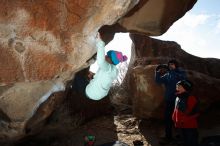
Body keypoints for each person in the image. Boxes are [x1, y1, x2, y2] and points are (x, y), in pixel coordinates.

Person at [85, 33, 127, 100]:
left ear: (111, 60)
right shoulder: (111, 70)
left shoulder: (109, 69)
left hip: (90, 91)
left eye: (107, 56)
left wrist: (100, 43)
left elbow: (101, 61)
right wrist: (93, 76)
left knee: (78, 76)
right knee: (86, 76)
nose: (105, 56)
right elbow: (102, 78)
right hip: (97, 94)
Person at [155, 59, 187, 145]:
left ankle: (181, 137)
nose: (170, 66)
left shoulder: (181, 72)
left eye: (172, 64)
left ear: (176, 65)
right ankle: (168, 137)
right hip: (168, 100)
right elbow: (158, 81)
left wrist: (172, 71)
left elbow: (183, 80)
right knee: (167, 119)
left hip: (179, 100)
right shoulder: (167, 75)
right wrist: (157, 71)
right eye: (169, 65)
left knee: (179, 119)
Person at [172, 80, 199, 146]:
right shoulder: (178, 97)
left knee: (191, 141)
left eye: (179, 86)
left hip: (189, 126)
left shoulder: (191, 98)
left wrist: (185, 119)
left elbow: (196, 113)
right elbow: (176, 109)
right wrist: (174, 117)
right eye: (177, 86)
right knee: (184, 140)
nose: (177, 88)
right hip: (180, 125)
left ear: (186, 88)